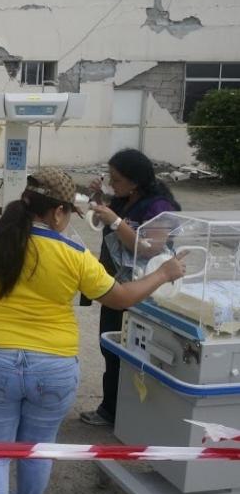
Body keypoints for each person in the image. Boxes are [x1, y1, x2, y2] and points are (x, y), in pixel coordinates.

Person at [0, 168, 185, 494]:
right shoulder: (74, 251)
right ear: (58, 211)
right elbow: (120, 298)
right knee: (38, 449)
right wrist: (164, 273)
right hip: (53, 366)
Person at [79, 149, 181, 427]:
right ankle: (112, 408)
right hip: (115, 283)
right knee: (110, 345)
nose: (113, 185)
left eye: (117, 180)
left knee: (132, 351)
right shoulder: (124, 198)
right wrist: (100, 202)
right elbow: (106, 225)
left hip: (143, 290)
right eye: (110, 178)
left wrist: (114, 219)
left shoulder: (159, 207)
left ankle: (120, 412)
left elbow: (151, 249)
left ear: (135, 181)